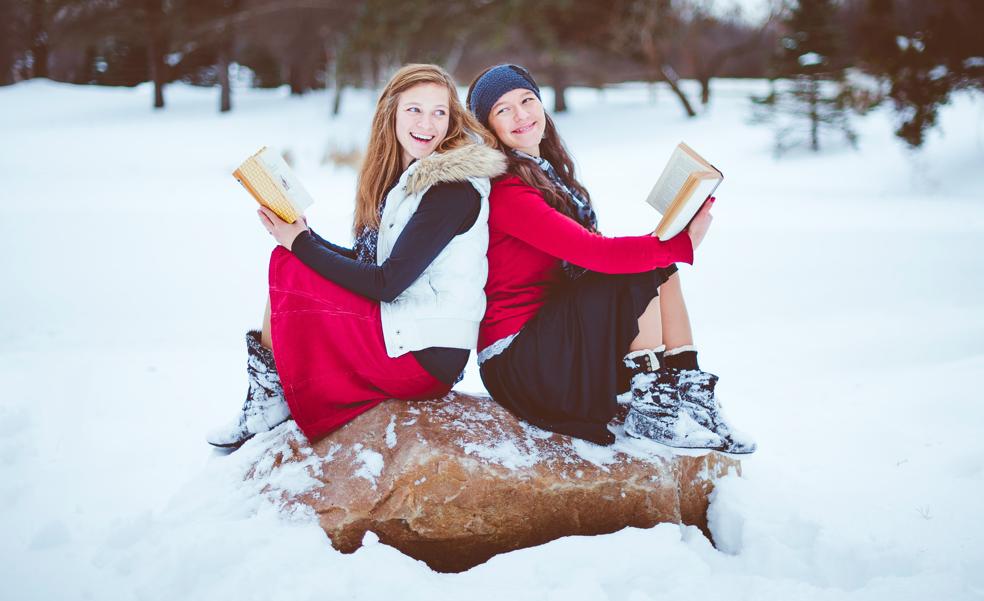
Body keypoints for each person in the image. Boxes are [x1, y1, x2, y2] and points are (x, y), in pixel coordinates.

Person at [207, 64, 505, 449]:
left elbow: (387, 283)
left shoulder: (450, 189)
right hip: (412, 333)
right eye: (414, 109)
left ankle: (269, 398)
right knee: (292, 260)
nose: (427, 123)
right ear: (392, 113)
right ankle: (270, 395)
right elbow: (375, 268)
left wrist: (301, 244)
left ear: (451, 121)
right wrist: (303, 236)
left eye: (439, 112)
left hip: (424, 355)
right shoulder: (413, 181)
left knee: (290, 264)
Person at [466, 64, 754, 453]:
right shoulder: (507, 189)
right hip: (519, 359)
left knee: (655, 267)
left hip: (553, 336)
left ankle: (690, 392)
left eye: (527, 100)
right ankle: (651, 405)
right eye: (503, 110)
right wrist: (678, 244)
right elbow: (593, 254)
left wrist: (667, 242)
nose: (521, 115)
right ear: (488, 127)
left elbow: (593, 253)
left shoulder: (547, 174)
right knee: (635, 268)